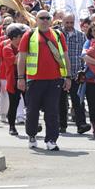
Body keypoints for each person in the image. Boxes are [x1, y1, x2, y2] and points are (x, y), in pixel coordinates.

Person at [18, 10, 72, 151]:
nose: (45, 20)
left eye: (48, 18)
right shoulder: (29, 35)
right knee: (32, 111)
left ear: (51, 19)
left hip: (55, 80)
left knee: (52, 111)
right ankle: (32, 135)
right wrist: (20, 78)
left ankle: (51, 140)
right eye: (42, 18)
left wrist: (68, 76)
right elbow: (21, 58)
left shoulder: (58, 35)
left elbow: (65, 57)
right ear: (36, 19)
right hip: (34, 80)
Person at [60, 13, 91, 135]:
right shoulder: (58, 35)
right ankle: (61, 124)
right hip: (61, 73)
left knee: (78, 100)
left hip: (77, 74)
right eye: (66, 22)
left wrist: (84, 70)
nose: (69, 25)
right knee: (61, 101)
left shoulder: (81, 36)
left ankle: (81, 124)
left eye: (71, 22)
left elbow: (85, 54)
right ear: (62, 22)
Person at [3, 23, 28, 136]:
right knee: (13, 104)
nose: (22, 39)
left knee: (30, 103)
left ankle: (32, 124)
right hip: (13, 80)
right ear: (13, 38)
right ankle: (12, 126)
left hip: (26, 79)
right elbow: (14, 61)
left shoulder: (24, 48)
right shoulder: (6, 48)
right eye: (20, 37)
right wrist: (22, 52)